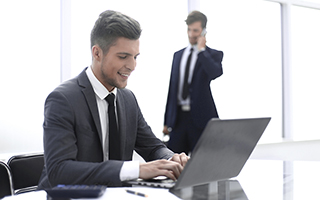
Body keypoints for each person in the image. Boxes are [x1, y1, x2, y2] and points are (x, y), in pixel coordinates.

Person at [38, 10, 189, 189]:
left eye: (135, 57)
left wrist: (171, 159)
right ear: (97, 53)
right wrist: (136, 170)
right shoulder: (63, 99)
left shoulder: (127, 99)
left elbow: (153, 147)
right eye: (123, 57)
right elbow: (59, 170)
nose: (132, 66)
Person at [163, 11, 223, 154]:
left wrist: (201, 50)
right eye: (189, 30)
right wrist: (167, 120)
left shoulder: (213, 54)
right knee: (173, 161)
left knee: (202, 162)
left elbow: (215, 73)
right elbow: (172, 88)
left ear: (203, 31)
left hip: (201, 120)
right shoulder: (178, 55)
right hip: (179, 120)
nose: (191, 34)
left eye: (195, 30)